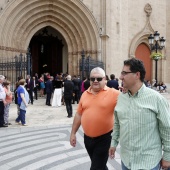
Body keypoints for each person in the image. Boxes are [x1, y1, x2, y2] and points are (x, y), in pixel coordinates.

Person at [109, 58, 170, 170]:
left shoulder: (157, 99)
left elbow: (167, 129)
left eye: (124, 73)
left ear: (137, 75)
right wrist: (113, 143)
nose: (121, 77)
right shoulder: (121, 98)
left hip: (148, 163)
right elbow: (117, 123)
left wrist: (167, 156)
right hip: (126, 161)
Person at [70, 67, 120, 170]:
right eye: (92, 79)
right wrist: (73, 133)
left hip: (105, 139)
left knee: (96, 167)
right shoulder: (84, 94)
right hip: (88, 139)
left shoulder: (114, 93)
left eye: (99, 79)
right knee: (99, 165)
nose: (95, 81)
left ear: (105, 79)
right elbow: (79, 114)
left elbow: (130, 101)